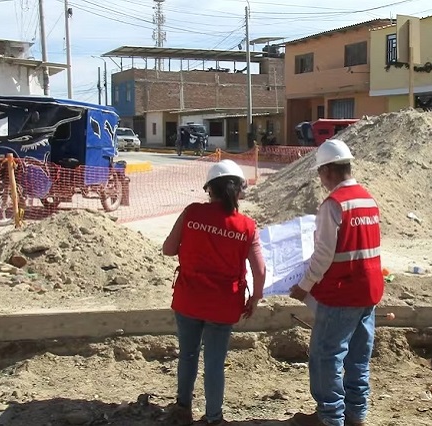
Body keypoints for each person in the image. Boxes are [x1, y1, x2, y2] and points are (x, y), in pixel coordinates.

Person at [161, 159, 267, 426]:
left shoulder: (192, 213)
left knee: (187, 354)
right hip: (224, 304)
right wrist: (255, 299)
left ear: (210, 189)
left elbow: (168, 249)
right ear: (240, 190)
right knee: (215, 363)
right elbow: (260, 270)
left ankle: (183, 407)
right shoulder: (247, 227)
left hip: (188, 299)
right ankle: (213, 418)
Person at [288, 139, 384, 426]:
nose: (320, 180)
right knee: (357, 356)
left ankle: (329, 417)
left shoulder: (334, 205)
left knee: (326, 356)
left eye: (320, 173)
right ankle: (357, 414)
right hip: (368, 291)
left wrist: (303, 285)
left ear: (328, 170)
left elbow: (323, 256)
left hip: (341, 293)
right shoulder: (368, 199)